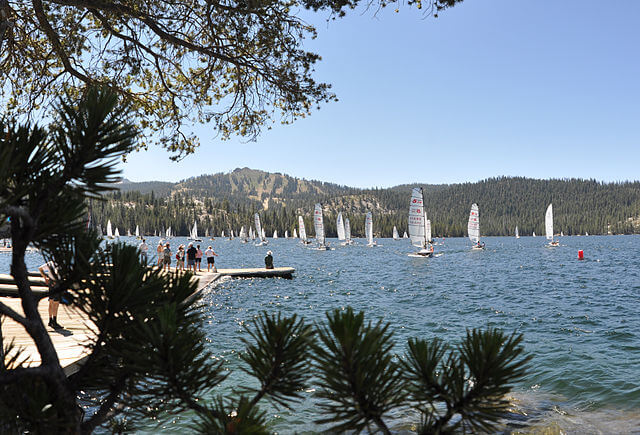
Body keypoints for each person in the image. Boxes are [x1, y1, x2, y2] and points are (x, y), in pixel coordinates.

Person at [39, 260, 62, 329]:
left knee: (51, 301)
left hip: (51, 282)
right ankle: (54, 321)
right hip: (56, 283)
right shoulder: (59, 264)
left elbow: (40, 268)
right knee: (56, 303)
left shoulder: (50, 263)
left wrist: (45, 277)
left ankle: (50, 320)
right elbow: (57, 273)